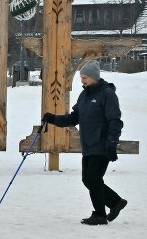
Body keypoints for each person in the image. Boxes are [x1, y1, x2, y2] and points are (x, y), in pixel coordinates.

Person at [41, 60, 126, 225]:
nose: (82, 80)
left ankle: (100, 215)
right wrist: (52, 119)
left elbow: (115, 121)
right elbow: (73, 118)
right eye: (81, 77)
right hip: (88, 145)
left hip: (101, 145)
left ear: (94, 77)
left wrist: (111, 144)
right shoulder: (84, 95)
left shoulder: (107, 94)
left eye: (85, 77)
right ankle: (116, 202)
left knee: (93, 179)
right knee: (88, 180)